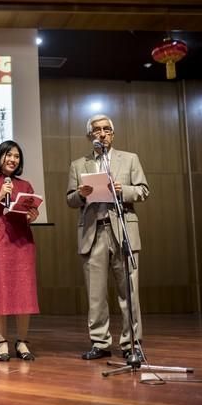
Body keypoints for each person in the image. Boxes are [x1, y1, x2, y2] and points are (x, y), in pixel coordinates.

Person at [66, 114, 149, 361]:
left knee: (129, 292)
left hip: (123, 229)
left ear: (112, 133)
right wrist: (80, 194)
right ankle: (100, 342)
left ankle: (131, 344)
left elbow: (144, 190)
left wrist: (124, 190)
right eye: (96, 130)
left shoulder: (130, 159)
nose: (101, 133)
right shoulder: (78, 164)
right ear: (89, 136)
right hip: (93, 231)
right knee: (96, 294)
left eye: (105, 129)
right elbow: (69, 199)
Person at [0, 140, 40, 362]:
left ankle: (22, 341)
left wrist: (32, 216)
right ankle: (2, 341)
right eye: (8, 155)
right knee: (1, 290)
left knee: (24, 290)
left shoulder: (26, 185)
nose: (13, 159)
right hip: (0, 241)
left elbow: (30, 213)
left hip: (23, 240)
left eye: (16, 156)